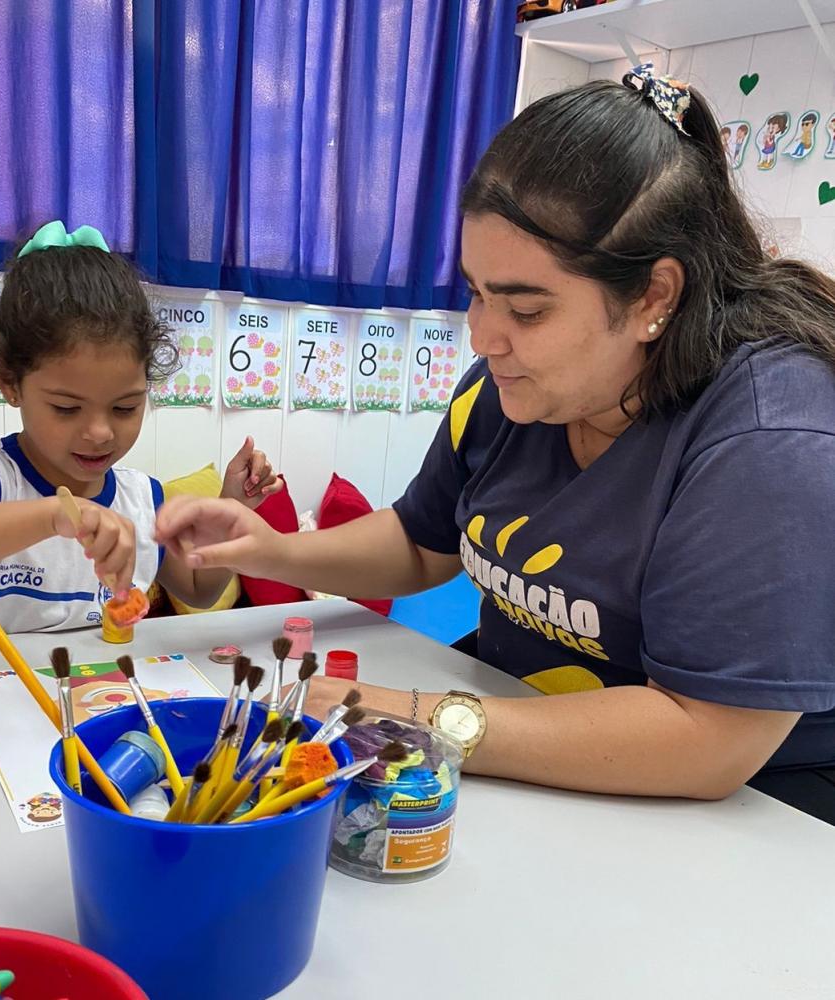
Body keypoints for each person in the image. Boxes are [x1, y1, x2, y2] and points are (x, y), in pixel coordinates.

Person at [154, 65, 835, 823]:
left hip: (749, 813)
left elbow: (707, 740)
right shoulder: (504, 394)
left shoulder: (771, 437)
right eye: (476, 293)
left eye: (527, 310)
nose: (482, 337)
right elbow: (423, 542)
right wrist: (266, 550)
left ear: (654, 297)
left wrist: (400, 712)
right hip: (520, 743)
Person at [0, 221, 281, 641]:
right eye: (66, 408)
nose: (99, 432)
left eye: (125, 407)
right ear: (9, 381)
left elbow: (199, 591)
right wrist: (55, 514)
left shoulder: (141, 499)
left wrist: (233, 508)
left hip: (102, 697)